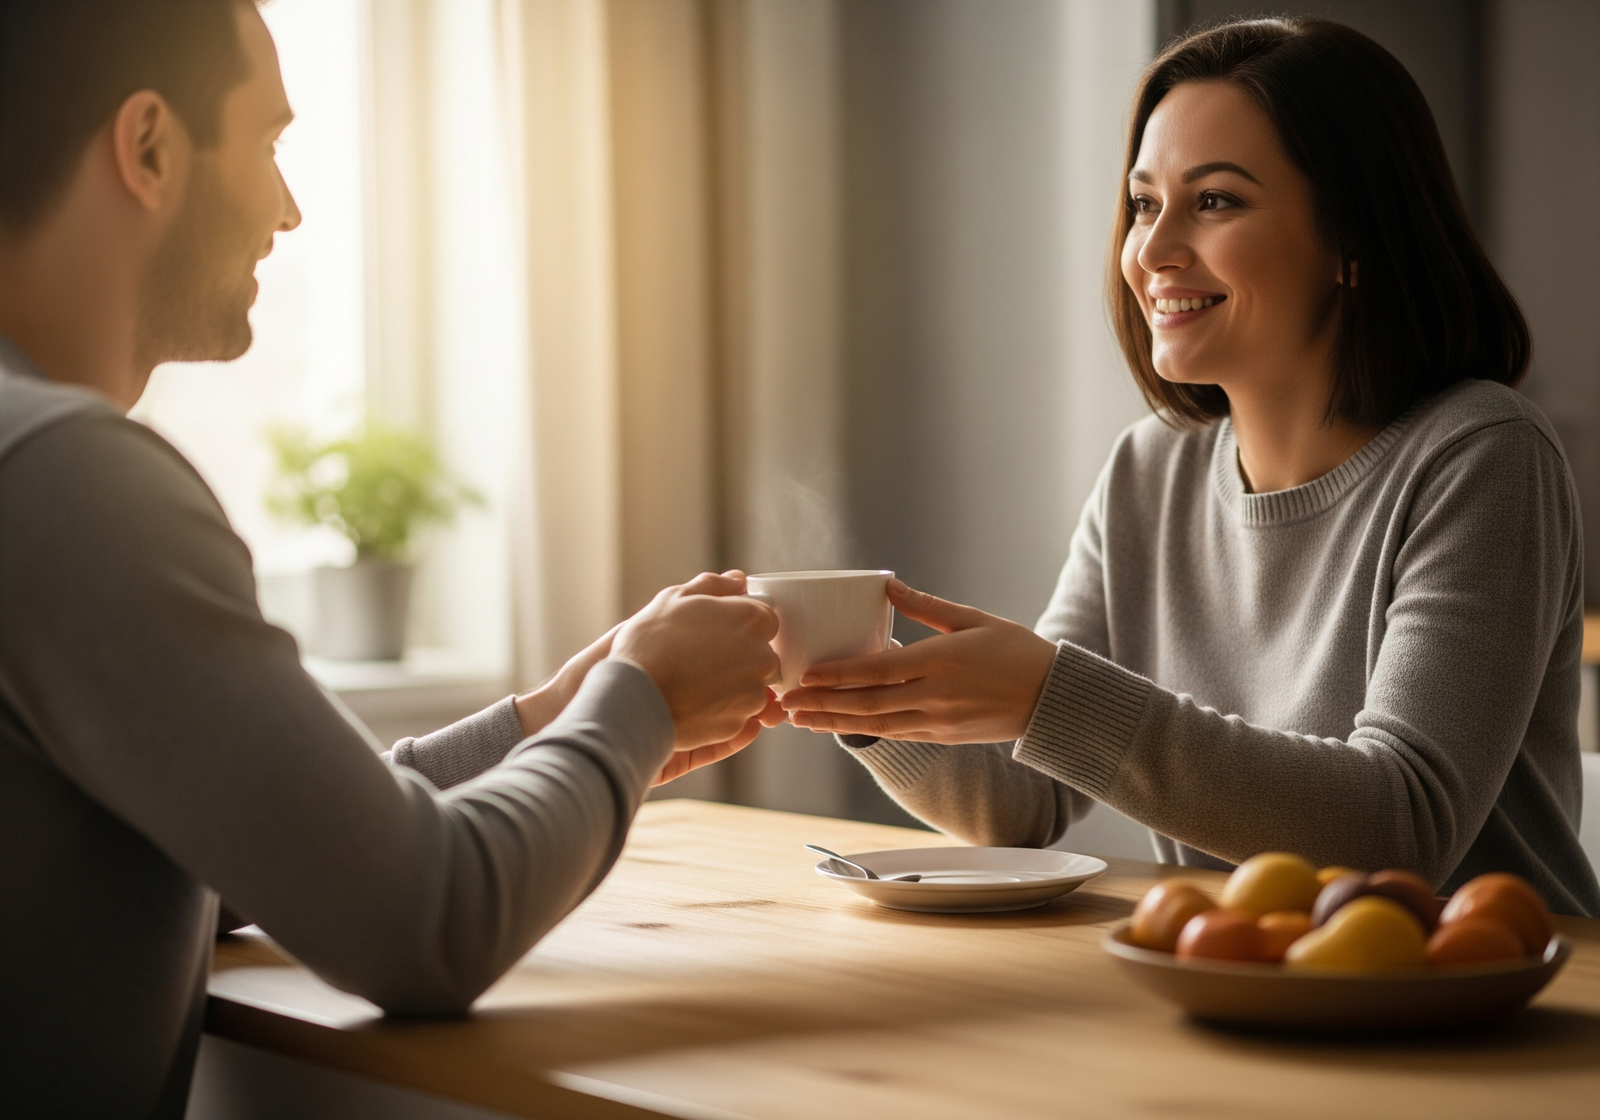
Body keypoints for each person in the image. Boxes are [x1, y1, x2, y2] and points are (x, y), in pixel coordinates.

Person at [0, 2, 782, 1115]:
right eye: (268, 143)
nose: (290, 207)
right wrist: (642, 699)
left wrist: (553, 719)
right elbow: (428, 920)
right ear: (150, 147)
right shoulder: (63, 478)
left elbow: (259, 848)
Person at [783, 18, 1600, 917]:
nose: (1153, 250)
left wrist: (1048, 696)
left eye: (1214, 201)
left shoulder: (1481, 455)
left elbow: (1396, 825)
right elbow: (1020, 801)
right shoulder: (1150, 472)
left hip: (1494, 1008)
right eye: (1142, 203)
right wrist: (852, 689)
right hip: (1247, 982)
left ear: (1354, 237)